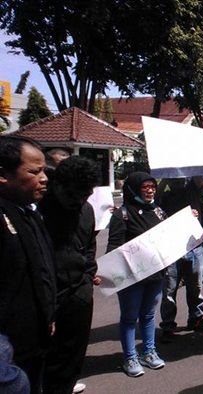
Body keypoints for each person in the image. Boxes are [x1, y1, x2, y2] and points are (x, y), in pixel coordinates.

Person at [38, 156, 101, 394]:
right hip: (46, 297)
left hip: (79, 295)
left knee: (72, 357)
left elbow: (90, 245)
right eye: (73, 195)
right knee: (43, 360)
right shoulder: (37, 210)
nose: (79, 201)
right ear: (58, 185)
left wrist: (88, 275)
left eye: (85, 196)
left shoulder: (86, 210)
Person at [0, 135, 55, 393]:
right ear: (3, 174)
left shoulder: (29, 212)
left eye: (44, 170)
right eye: (35, 171)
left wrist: (48, 313)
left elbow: (41, 269)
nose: (44, 178)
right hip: (9, 351)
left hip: (35, 339)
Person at [107, 172, 167, 377]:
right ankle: (130, 357)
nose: (150, 190)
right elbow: (113, 247)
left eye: (152, 186)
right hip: (131, 277)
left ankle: (149, 352)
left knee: (149, 315)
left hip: (156, 274)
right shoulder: (121, 214)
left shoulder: (158, 211)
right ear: (133, 189)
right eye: (145, 187)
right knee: (130, 317)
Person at [157, 177, 203, 343]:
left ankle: (196, 319)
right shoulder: (165, 196)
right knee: (169, 290)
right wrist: (163, 183)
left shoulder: (194, 191)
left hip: (194, 245)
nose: (178, 182)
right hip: (171, 247)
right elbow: (155, 208)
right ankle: (168, 326)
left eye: (180, 179)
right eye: (173, 180)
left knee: (195, 286)